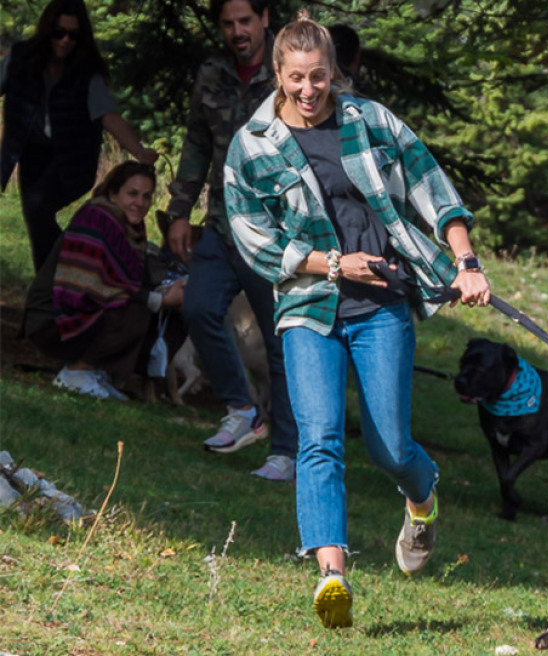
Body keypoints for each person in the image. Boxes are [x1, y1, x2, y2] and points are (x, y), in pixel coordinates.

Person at [224, 10, 491, 630]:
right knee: (318, 440)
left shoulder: (369, 121)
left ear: (333, 72)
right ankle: (332, 576)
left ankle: (421, 500)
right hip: (307, 307)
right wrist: (335, 264)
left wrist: (466, 260)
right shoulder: (253, 146)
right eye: (296, 79)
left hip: (382, 307)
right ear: (278, 73)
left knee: (390, 445)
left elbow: (432, 185)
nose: (308, 91)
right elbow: (253, 240)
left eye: (319, 77)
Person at [158, 0, 298, 481]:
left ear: (264, 20)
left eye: (245, 21)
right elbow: (197, 141)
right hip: (221, 222)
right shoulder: (213, 73)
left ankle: (286, 451)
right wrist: (179, 212)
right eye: (228, 23)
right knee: (197, 306)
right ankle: (242, 409)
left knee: (279, 341)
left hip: (275, 231)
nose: (237, 31)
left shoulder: (290, 72)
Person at [0, 0, 158, 272]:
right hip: (32, 154)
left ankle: (73, 265)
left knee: (38, 209)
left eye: (73, 35)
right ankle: (52, 286)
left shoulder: (87, 73)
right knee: (36, 218)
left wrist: (139, 151)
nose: (65, 41)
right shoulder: (20, 58)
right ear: (47, 30)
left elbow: (108, 116)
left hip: (73, 160)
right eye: (58, 33)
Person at [23, 161, 184, 400]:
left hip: (81, 310)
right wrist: (158, 299)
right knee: (136, 314)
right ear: (112, 193)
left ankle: (96, 372)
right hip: (51, 315)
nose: (139, 203)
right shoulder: (96, 218)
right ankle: (77, 372)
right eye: (132, 194)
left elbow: (125, 279)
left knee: (174, 316)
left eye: (146, 197)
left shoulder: (130, 227)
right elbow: (96, 286)